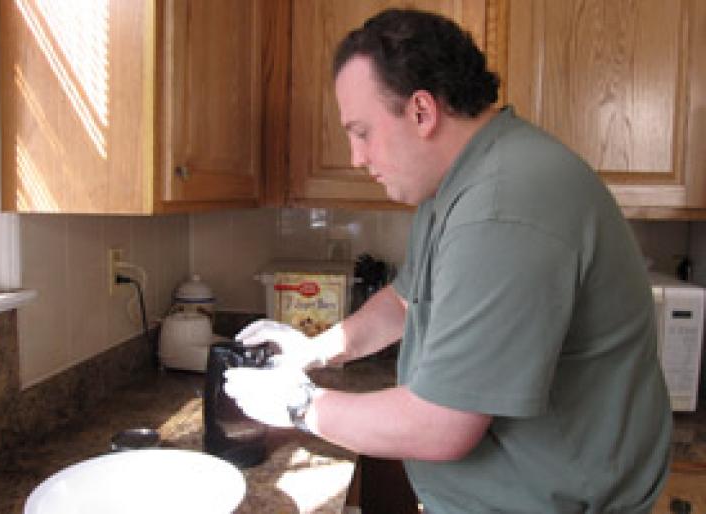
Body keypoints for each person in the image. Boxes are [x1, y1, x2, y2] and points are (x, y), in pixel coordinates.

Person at [223, 8, 672, 513]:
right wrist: (314, 350)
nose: (355, 156)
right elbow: (403, 301)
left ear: (421, 112)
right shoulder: (460, 183)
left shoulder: (504, 206)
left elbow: (441, 425)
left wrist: (300, 406)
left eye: (362, 131)